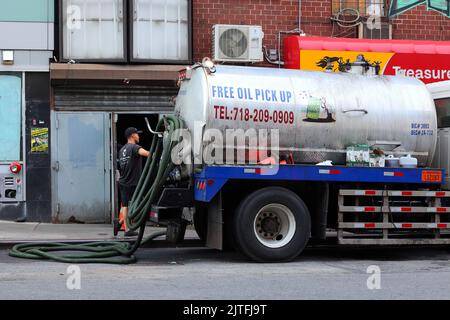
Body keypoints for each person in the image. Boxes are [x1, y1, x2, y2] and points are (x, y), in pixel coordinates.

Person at [117, 127, 150, 237]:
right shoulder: (135, 147)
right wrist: (158, 156)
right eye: (137, 134)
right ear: (132, 136)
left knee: (126, 206)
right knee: (139, 205)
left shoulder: (122, 150)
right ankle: (127, 230)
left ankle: (120, 224)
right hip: (133, 183)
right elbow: (146, 153)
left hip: (123, 182)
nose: (139, 136)